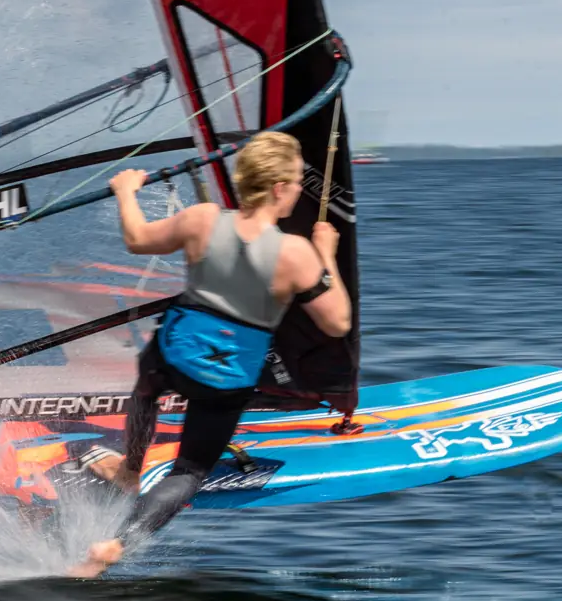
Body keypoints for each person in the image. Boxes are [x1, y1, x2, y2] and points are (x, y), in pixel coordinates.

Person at [68, 130, 351, 577]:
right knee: (189, 472)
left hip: (174, 354)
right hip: (225, 377)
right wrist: (327, 255)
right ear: (279, 188)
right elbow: (336, 322)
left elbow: (138, 239)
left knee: (148, 386)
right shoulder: (296, 253)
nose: (299, 189)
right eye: (297, 181)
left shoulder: (202, 219)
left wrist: (126, 192)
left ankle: (131, 468)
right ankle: (114, 545)